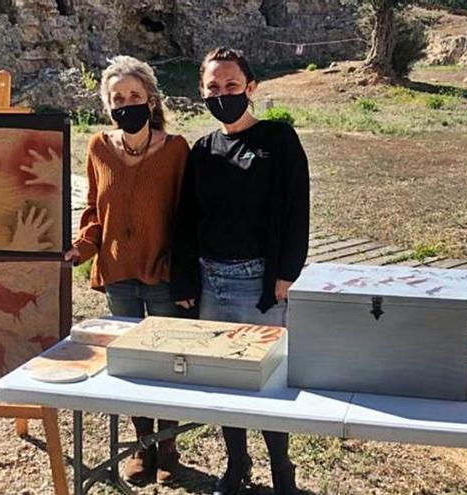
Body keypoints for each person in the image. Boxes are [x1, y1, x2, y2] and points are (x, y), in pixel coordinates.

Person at [171, 47, 310, 495]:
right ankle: (237, 464)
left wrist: (286, 274)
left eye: (231, 86)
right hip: (211, 280)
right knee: (226, 382)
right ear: (202, 94)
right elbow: (187, 220)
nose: (222, 94)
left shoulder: (279, 140)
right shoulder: (203, 150)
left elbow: (296, 209)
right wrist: (186, 281)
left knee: (266, 381)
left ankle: (281, 469)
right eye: (213, 88)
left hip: (258, 281)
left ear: (251, 88)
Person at [65, 55, 190, 486]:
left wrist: (186, 273)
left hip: (163, 272)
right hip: (118, 272)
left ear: (151, 99)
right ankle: (143, 447)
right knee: (131, 363)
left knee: (167, 360)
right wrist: (79, 249)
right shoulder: (99, 147)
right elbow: (94, 211)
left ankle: (169, 440)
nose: (126, 103)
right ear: (107, 104)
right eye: (117, 98)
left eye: (134, 96)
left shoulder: (175, 150)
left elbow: (186, 215)